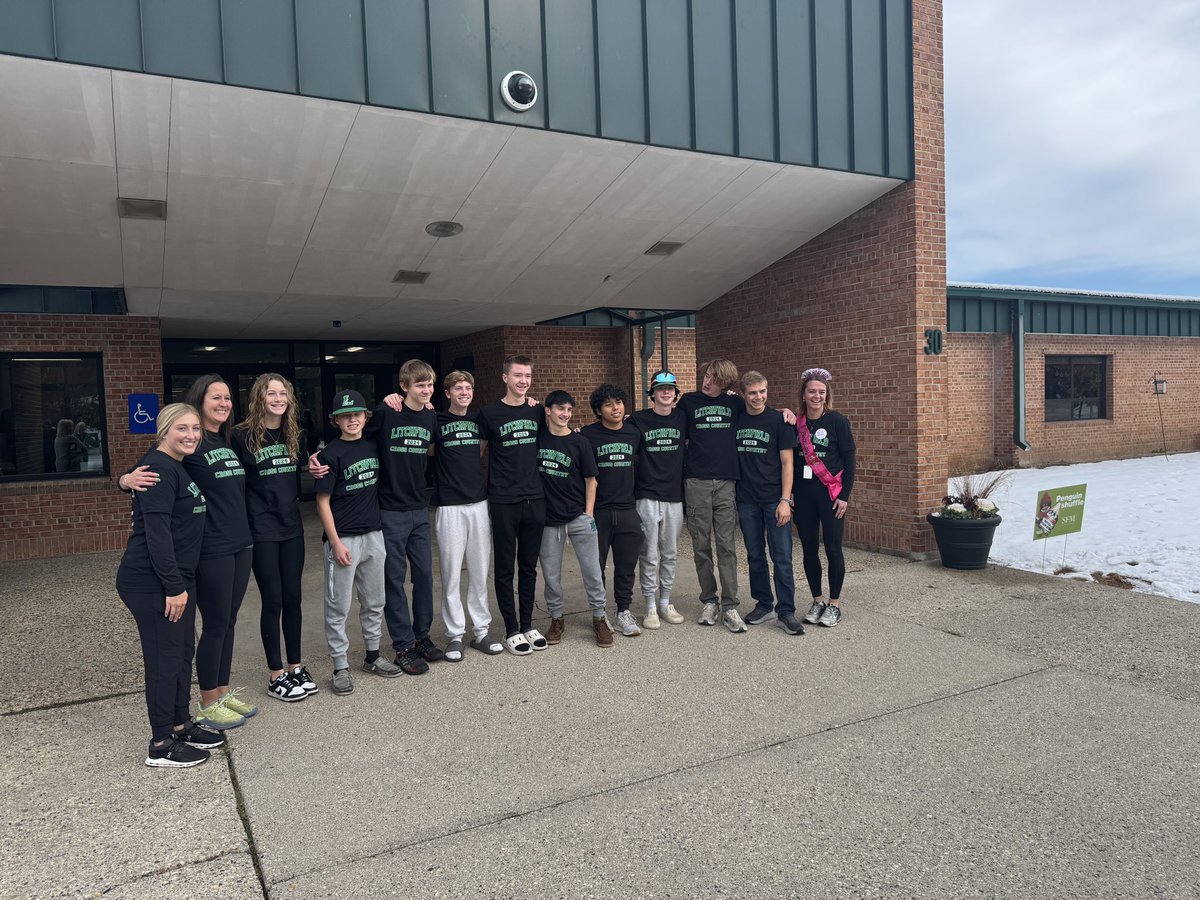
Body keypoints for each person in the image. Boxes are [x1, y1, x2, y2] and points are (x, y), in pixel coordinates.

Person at [119, 376, 259, 729]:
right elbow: (147, 472)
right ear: (199, 401)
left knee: (228, 623)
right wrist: (124, 479)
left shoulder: (226, 438)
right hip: (210, 549)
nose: (224, 403)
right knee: (213, 625)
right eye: (216, 397)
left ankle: (222, 692)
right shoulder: (185, 447)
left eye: (228, 398)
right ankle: (208, 701)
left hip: (240, 543)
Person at [115, 403, 224, 767]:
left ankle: (180, 723)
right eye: (182, 429)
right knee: (164, 660)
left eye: (195, 428)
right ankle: (161, 743)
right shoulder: (161, 468)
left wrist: (122, 478)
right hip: (153, 581)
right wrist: (173, 587)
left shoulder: (172, 465)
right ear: (163, 431)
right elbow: (158, 535)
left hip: (177, 578)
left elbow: (132, 475)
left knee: (181, 654)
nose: (191, 435)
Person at [231, 374, 317, 703]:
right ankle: (275, 674)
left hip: (291, 526)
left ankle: (295, 666)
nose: (278, 398)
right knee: (274, 599)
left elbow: (308, 467)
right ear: (259, 398)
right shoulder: (240, 436)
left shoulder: (296, 433)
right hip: (261, 528)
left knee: (293, 598)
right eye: (271, 393)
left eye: (283, 393)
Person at [314, 389, 402, 693]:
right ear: (336, 420)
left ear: (366, 417)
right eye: (345, 415)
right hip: (344, 539)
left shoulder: (373, 444)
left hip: (374, 534)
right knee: (338, 606)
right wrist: (336, 542)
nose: (352, 419)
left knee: (375, 601)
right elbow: (323, 502)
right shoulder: (329, 454)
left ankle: (373, 656)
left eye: (357, 414)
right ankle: (340, 666)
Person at [365, 359, 442, 673]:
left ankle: (422, 637)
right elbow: (354, 428)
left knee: (423, 576)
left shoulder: (430, 416)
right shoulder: (386, 413)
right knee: (393, 580)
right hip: (390, 510)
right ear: (404, 386)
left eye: (429, 385)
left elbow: (433, 450)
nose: (426, 390)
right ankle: (403, 646)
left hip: (418, 509)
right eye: (420, 385)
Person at [476, 355, 547, 655]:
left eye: (528, 376)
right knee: (505, 567)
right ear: (504, 377)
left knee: (529, 566)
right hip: (504, 500)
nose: (523, 381)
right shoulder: (488, 413)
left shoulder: (538, 412)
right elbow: (475, 454)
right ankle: (511, 629)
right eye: (518, 375)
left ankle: (528, 624)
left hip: (535, 498)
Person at [431, 371, 504, 659]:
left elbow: (482, 451)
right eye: (457, 388)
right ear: (447, 393)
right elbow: (427, 451)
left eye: (468, 388)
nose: (463, 392)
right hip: (449, 505)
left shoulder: (479, 421)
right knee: (450, 573)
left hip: (478, 503)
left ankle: (482, 632)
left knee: (479, 571)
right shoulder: (435, 420)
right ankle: (454, 636)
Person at [676, 359, 749, 633]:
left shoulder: (735, 403)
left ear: (726, 383)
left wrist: (787, 412)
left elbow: (759, 412)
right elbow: (669, 421)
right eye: (707, 376)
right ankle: (709, 600)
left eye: (715, 380)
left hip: (726, 482)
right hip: (696, 481)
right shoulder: (688, 402)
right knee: (701, 545)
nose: (708, 382)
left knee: (727, 545)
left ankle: (730, 605)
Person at [537, 390, 613, 648]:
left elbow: (591, 480)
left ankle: (599, 617)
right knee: (551, 574)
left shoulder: (580, 443)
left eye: (569, 410)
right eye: (559, 409)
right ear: (547, 410)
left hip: (579, 517)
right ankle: (557, 619)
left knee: (593, 571)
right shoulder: (538, 438)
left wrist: (588, 514)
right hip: (548, 520)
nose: (565, 414)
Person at [734, 371, 802, 635]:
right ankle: (764, 604)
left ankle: (786, 611)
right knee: (754, 555)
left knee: (782, 556)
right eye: (752, 393)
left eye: (762, 391)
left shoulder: (779, 420)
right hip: (747, 500)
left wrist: (785, 500)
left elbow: (788, 463)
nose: (758, 397)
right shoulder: (737, 419)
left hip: (775, 500)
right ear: (743, 395)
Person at [794, 367, 856, 628]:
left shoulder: (837, 421)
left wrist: (844, 496)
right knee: (809, 549)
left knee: (832, 549)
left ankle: (834, 604)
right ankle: (817, 600)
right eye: (812, 391)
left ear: (826, 394)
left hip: (830, 495)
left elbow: (850, 459)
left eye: (821, 392)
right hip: (804, 496)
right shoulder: (795, 422)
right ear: (804, 395)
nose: (816, 396)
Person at [580, 384, 643, 638]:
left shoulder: (633, 433)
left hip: (627, 507)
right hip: (600, 510)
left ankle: (623, 612)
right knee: (597, 565)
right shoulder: (586, 435)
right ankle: (600, 613)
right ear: (598, 410)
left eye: (618, 402)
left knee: (626, 565)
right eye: (608, 404)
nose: (615, 408)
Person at [631, 371, 687, 629]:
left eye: (670, 389)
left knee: (670, 553)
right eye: (660, 388)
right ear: (652, 393)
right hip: (647, 495)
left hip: (674, 496)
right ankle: (650, 605)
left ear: (676, 394)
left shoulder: (682, 417)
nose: (666, 393)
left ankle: (665, 601)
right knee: (649, 553)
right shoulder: (638, 420)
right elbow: (611, 432)